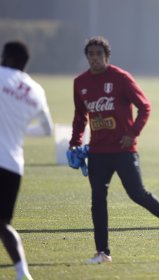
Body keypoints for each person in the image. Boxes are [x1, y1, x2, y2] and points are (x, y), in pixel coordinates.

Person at [68, 36, 159, 264]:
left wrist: (132, 133)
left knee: (137, 194)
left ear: (106, 56)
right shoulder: (80, 82)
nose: (94, 58)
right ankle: (102, 252)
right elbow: (79, 117)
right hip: (97, 152)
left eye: (98, 54)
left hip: (124, 150)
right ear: (87, 57)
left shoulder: (120, 78)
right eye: (90, 55)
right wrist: (74, 143)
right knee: (98, 200)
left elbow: (144, 106)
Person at [0, 41, 53, 280]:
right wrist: (21, 131)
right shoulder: (36, 90)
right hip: (13, 165)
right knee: (3, 224)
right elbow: (47, 130)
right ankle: (23, 272)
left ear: (8, 58)